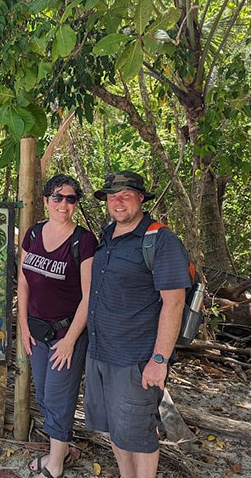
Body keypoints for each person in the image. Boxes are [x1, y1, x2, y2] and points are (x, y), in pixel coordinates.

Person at [84, 171, 191, 478]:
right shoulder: (108, 235)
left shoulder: (161, 241)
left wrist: (159, 360)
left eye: (125, 195)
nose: (118, 202)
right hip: (100, 354)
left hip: (134, 360)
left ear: (141, 198)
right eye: (112, 196)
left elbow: (174, 303)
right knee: (115, 431)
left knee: (139, 435)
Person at [17, 174, 98, 478]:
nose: (64, 204)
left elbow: (89, 296)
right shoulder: (34, 235)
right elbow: (24, 282)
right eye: (58, 197)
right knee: (43, 395)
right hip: (37, 331)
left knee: (58, 397)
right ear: (46, 201)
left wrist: (70, 340)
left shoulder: (84, 241)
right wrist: (23, 325)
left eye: (71, 198)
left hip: (68, 333)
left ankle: (55, 466)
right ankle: (59, 450)